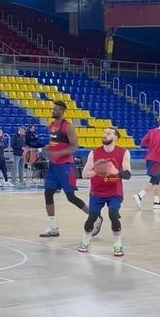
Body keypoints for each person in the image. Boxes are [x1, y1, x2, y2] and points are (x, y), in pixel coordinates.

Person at [38, 101, 102, 238]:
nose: (53, 111)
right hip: (53, 167)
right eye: (53, 108)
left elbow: (74, 147)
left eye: (55, 109)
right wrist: (38, 150)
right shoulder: (52, 126)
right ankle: (53, 227)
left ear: (62, 111)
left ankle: (95, 217)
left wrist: (59, 154)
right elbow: (52, 146)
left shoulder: (68, 127)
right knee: (47, 194)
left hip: (65, 167)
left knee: (71, 197)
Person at [78, 127, 132, 257]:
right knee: (92, 217)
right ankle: (85, 239)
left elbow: (128, 174)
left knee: (113, 214)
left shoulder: (123, 153)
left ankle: (117, 244)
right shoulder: (94, 153)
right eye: (104, 133)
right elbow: (84, 174)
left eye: (108, 133)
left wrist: (115, 172)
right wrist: (99, 170)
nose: (104, 135)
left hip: (114, 192)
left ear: (116, 137)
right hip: (97, 192)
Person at [134, 116, 160, 210]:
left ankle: (156, 202)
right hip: (157, 159)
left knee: (155, 180)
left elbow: (143, 143)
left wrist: (152, 146)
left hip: (149, 158)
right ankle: (140, 195)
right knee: (155, 180)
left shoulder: (151, 132)